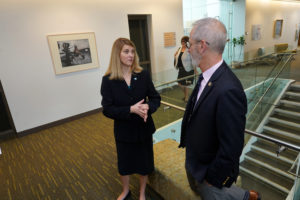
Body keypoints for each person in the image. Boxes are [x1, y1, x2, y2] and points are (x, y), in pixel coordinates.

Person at [179, 18, 261, 200]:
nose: (188, 49)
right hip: (197, 163)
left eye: (189, 44)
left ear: (202, 46)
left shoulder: (228, 89)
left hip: (209, 175)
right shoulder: (206, 77)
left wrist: (212, 178)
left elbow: (232, 146)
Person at [101, 38, 161, 200]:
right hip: (124, 131)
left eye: (133, 52)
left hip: (143, 129)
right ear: (117, 54)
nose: (131, 55)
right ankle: (126, 190)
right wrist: (130, 109)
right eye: (126, 52)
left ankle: (142, 192)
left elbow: (155, 98)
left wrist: (149, 106)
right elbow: (107, 109)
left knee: (144, 164)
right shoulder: (108, 80)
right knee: (125, 164)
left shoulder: (143, 75)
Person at [174, 36, 197, 102]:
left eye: (184, 41)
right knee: (179, 83)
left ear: (187, 42)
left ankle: (186, 97)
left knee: (186, 84)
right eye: (182, 41)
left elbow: (193, 60)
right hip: (181, 69)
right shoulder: (179, 49)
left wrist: (195, 70)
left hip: (188, 69)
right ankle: (186, 95)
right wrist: (175, 55)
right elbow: (177, 58)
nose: (182, 43)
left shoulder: (189, 50)